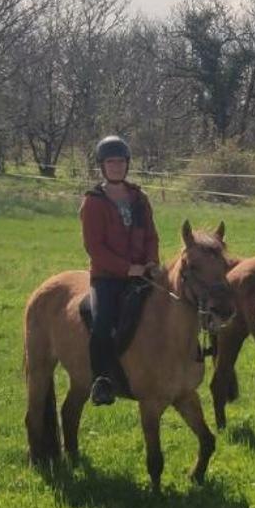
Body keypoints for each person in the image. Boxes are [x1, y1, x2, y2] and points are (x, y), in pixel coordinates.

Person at [80, 135, 160, 405]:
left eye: (120, 161)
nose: (116, 166)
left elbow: (151, 235)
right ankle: (102, 379)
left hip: (143, 272)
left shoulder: (139, 197)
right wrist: (128, 269)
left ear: (128, 164)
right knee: (102, 324)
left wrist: (150, 261)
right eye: (110, 162)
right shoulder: (92, 202)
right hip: (107, 278)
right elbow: (95, 248)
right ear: (101, 166)